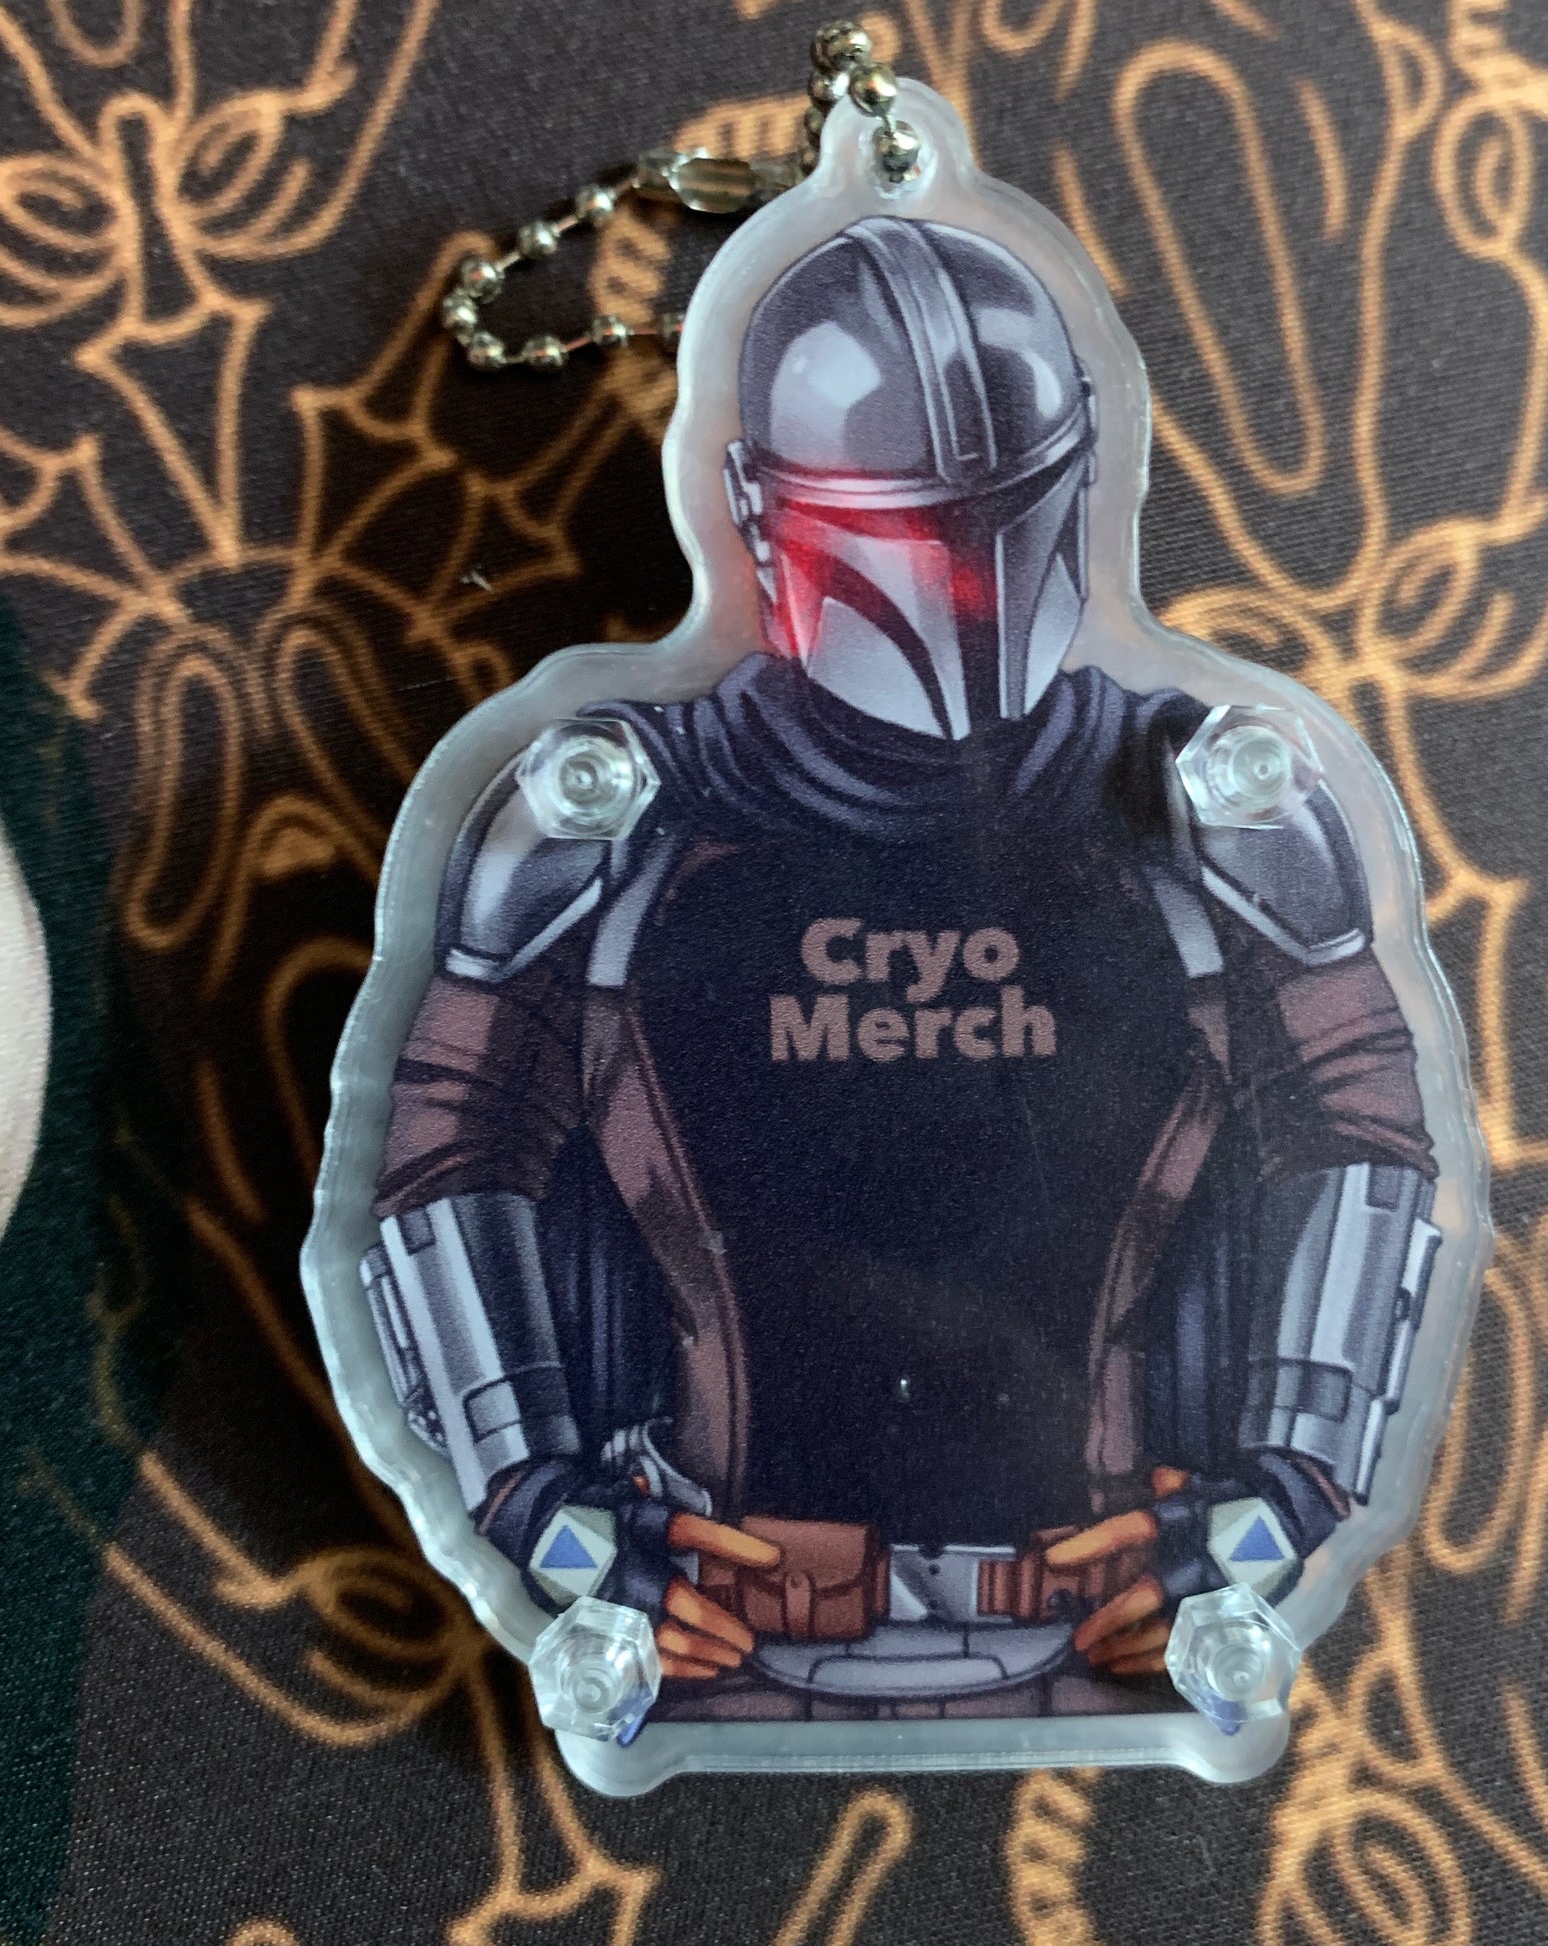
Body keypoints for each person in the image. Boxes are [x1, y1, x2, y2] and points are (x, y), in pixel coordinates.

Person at [363, 218, 1437, 1720]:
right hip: (708, 1618)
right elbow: (445, 1160)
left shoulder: (1211, 803)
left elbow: (1364, 1137)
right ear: (758, 511)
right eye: (912, 528)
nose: (956, 580)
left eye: (991, 518)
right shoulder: (609, 814)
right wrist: (552, 1518)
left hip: (1109, 1622)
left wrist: (1275, 1508)